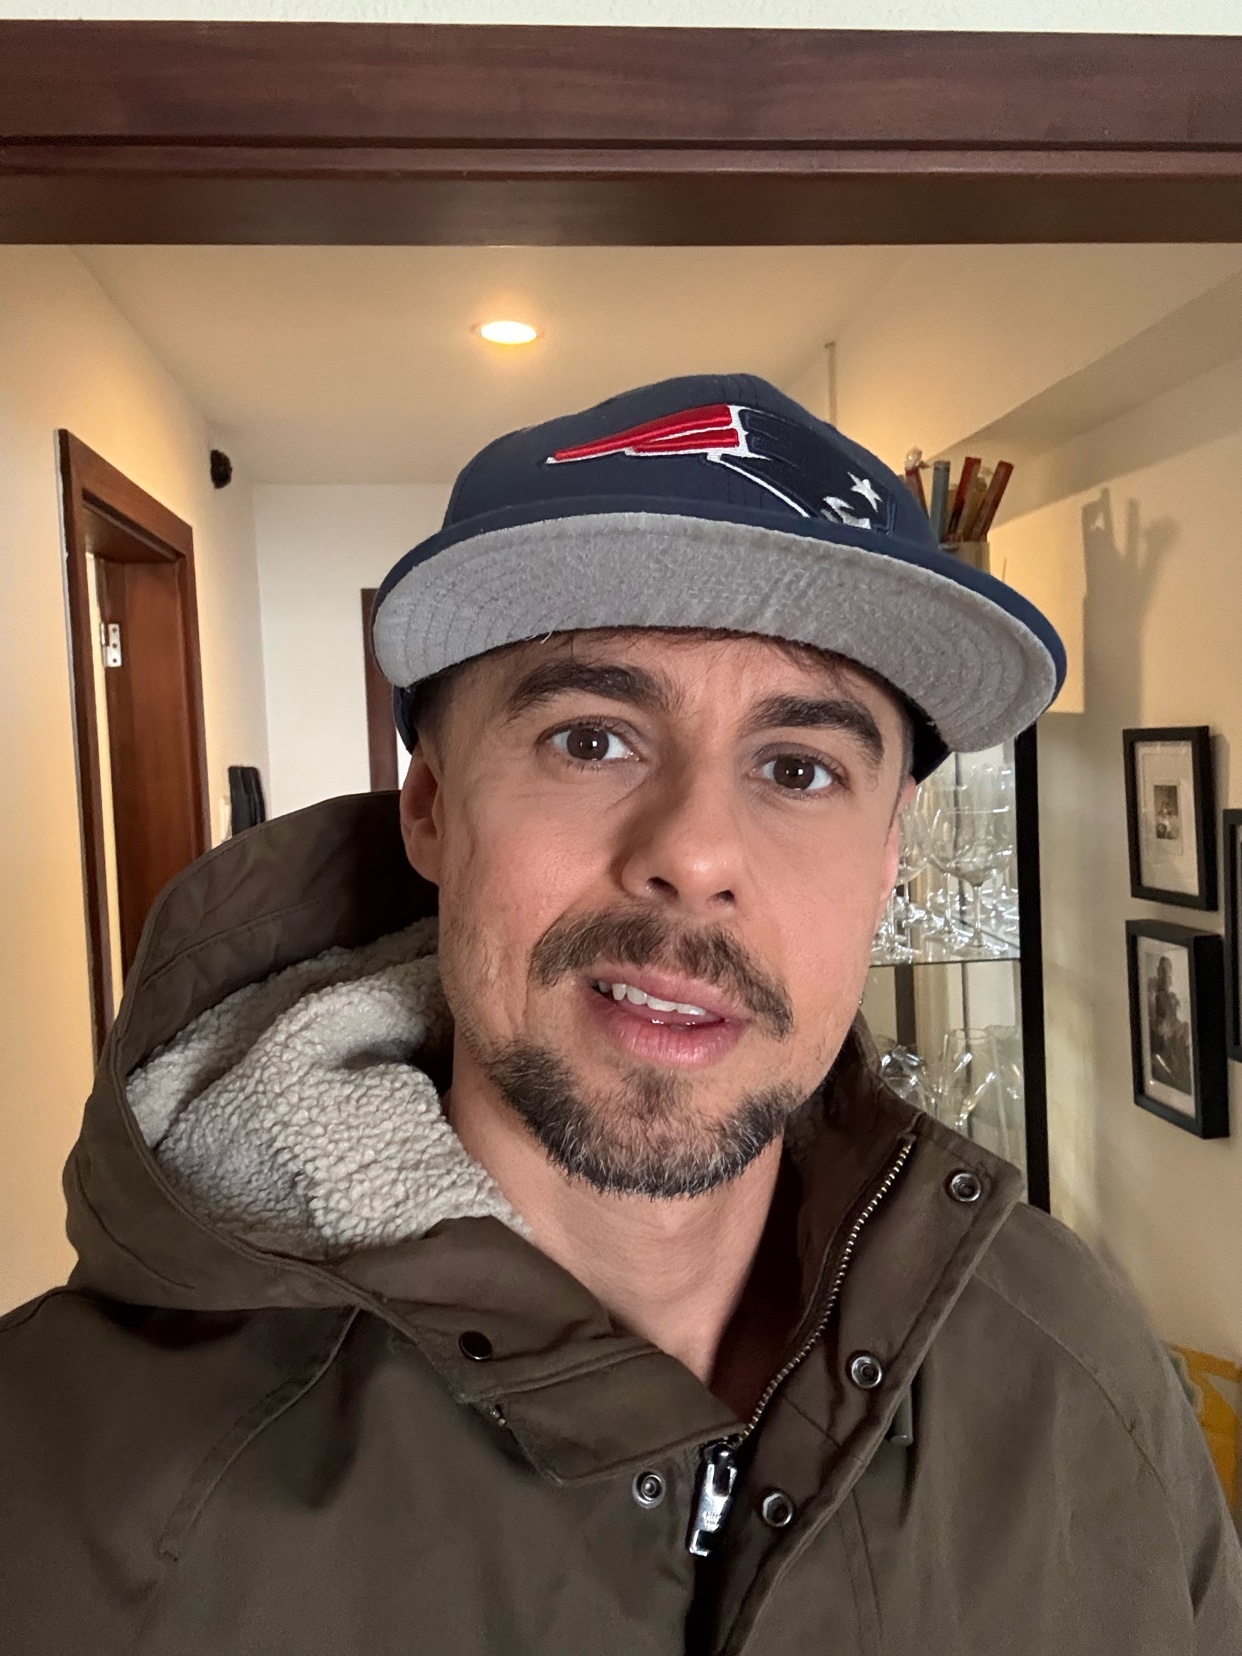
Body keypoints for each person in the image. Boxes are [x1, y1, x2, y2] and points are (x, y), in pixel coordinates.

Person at [1, 375, 1238, 1654]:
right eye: (592, 739)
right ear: (429, 808)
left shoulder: (1082, 1378)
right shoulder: (62, 1489)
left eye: (799, 767)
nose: (695, 853)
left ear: (888, 861)